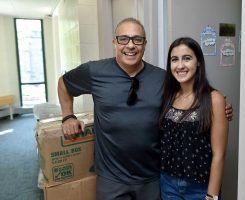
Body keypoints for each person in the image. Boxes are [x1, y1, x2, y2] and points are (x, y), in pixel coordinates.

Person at [57, 18, 232, 200]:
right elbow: (64, 84)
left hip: (153, 178)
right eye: (123, 39)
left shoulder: (163, 79)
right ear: (114, 43)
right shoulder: (94, 71)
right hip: (111, 179)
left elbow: (190, 97)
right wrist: (68, 115)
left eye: (137, 39)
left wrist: (220, 107)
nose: (130, 45)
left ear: (145, 44)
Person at [159, 37, 229, 200]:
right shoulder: (168, 96)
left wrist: (212, 196)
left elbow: (219, 155)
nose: (180, 65)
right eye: (174, 59)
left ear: (198, 62)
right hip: (168, 184)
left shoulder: (214, 99)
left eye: (187, 58)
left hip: (200, 188)